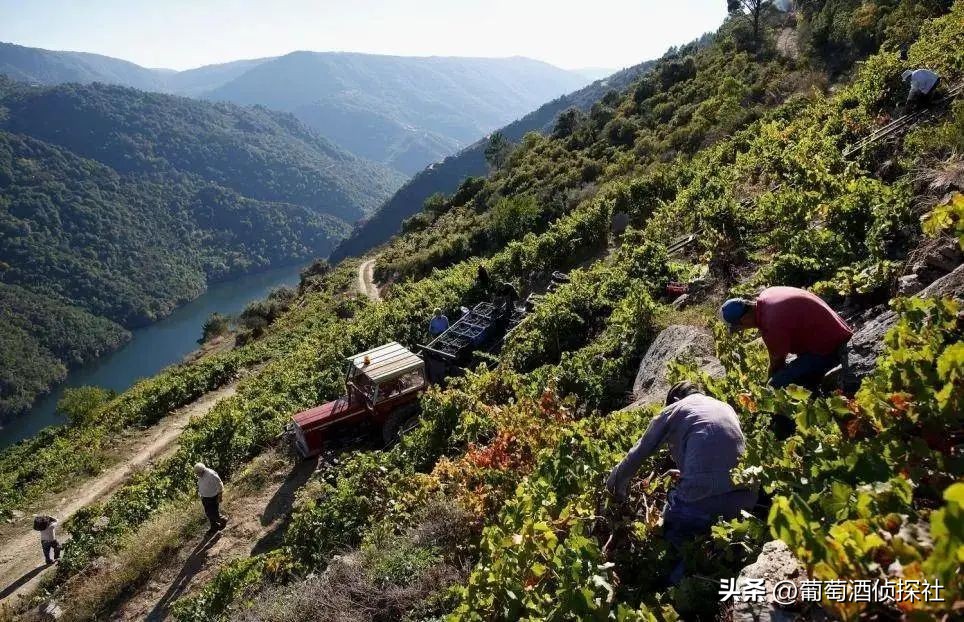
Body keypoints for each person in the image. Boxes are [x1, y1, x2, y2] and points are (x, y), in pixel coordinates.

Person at [606, 382, 757, 583]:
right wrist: (687, 472)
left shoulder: (674, 410)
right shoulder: (724, 406)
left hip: (703, 503)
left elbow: (639, 452)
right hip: (746, 500)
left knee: (676, 539)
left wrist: (614, 487)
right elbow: (722, 454)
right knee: (723, 540)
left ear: (675, 400)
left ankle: (676, 587)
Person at [720, 286, 852, 390]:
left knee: (776, 385)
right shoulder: (768, 294)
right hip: (837, 327)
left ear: (744, 319)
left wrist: (766, 384)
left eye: (737, 327)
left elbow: (778, 363)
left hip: (831, 346)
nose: (740, 330)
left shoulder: (770, 325)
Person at [195, 462, 227, 533]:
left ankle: (223, 520)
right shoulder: (200, 475)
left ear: (202, 471)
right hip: (205, 497)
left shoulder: (211, 474)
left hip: (213, 497)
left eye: (197, 473)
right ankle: (214, 526)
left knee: (212, 513)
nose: (197, 475)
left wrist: (220, 496)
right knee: (208, 513)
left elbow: (220, 484)